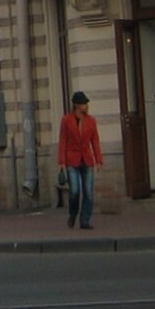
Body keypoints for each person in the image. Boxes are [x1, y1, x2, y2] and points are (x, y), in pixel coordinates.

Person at [58, 91, 103, 229]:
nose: (86, 106)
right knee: (75, 191)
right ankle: (72, 214)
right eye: (84, 103)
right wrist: (61, 162)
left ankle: (85, 220)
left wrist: (98, 160)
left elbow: (95, 141)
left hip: (87, 160)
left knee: (88, 192)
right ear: (77, 105)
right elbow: (63, 141)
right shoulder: (67, 120)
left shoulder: (91, 121)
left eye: (86, 103)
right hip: (72, 159)